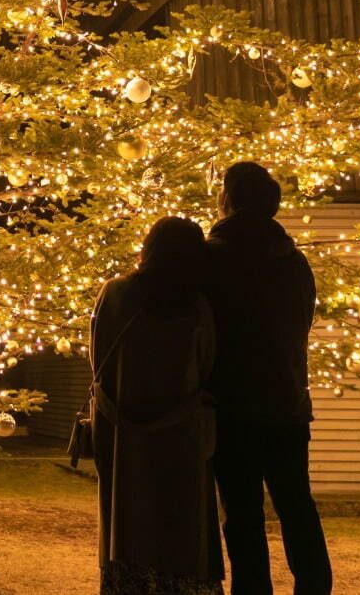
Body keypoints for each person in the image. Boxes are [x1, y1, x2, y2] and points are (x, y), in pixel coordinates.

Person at [205, 163, 331, 595]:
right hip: (286, 403)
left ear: (229, 199)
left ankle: (252, 589)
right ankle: (314, 586)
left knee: (241, 513)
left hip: (232, 407)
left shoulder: (212, 258)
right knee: (297, 504)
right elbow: (300, 326)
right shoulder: (293, 262)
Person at [91, 216, 222, 595]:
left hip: (120, 432)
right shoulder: (197, 306)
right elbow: (207, 364)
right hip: (181, 432)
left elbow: (97, 358)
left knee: (126, 521)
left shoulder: (114, 293)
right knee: (181, 523)